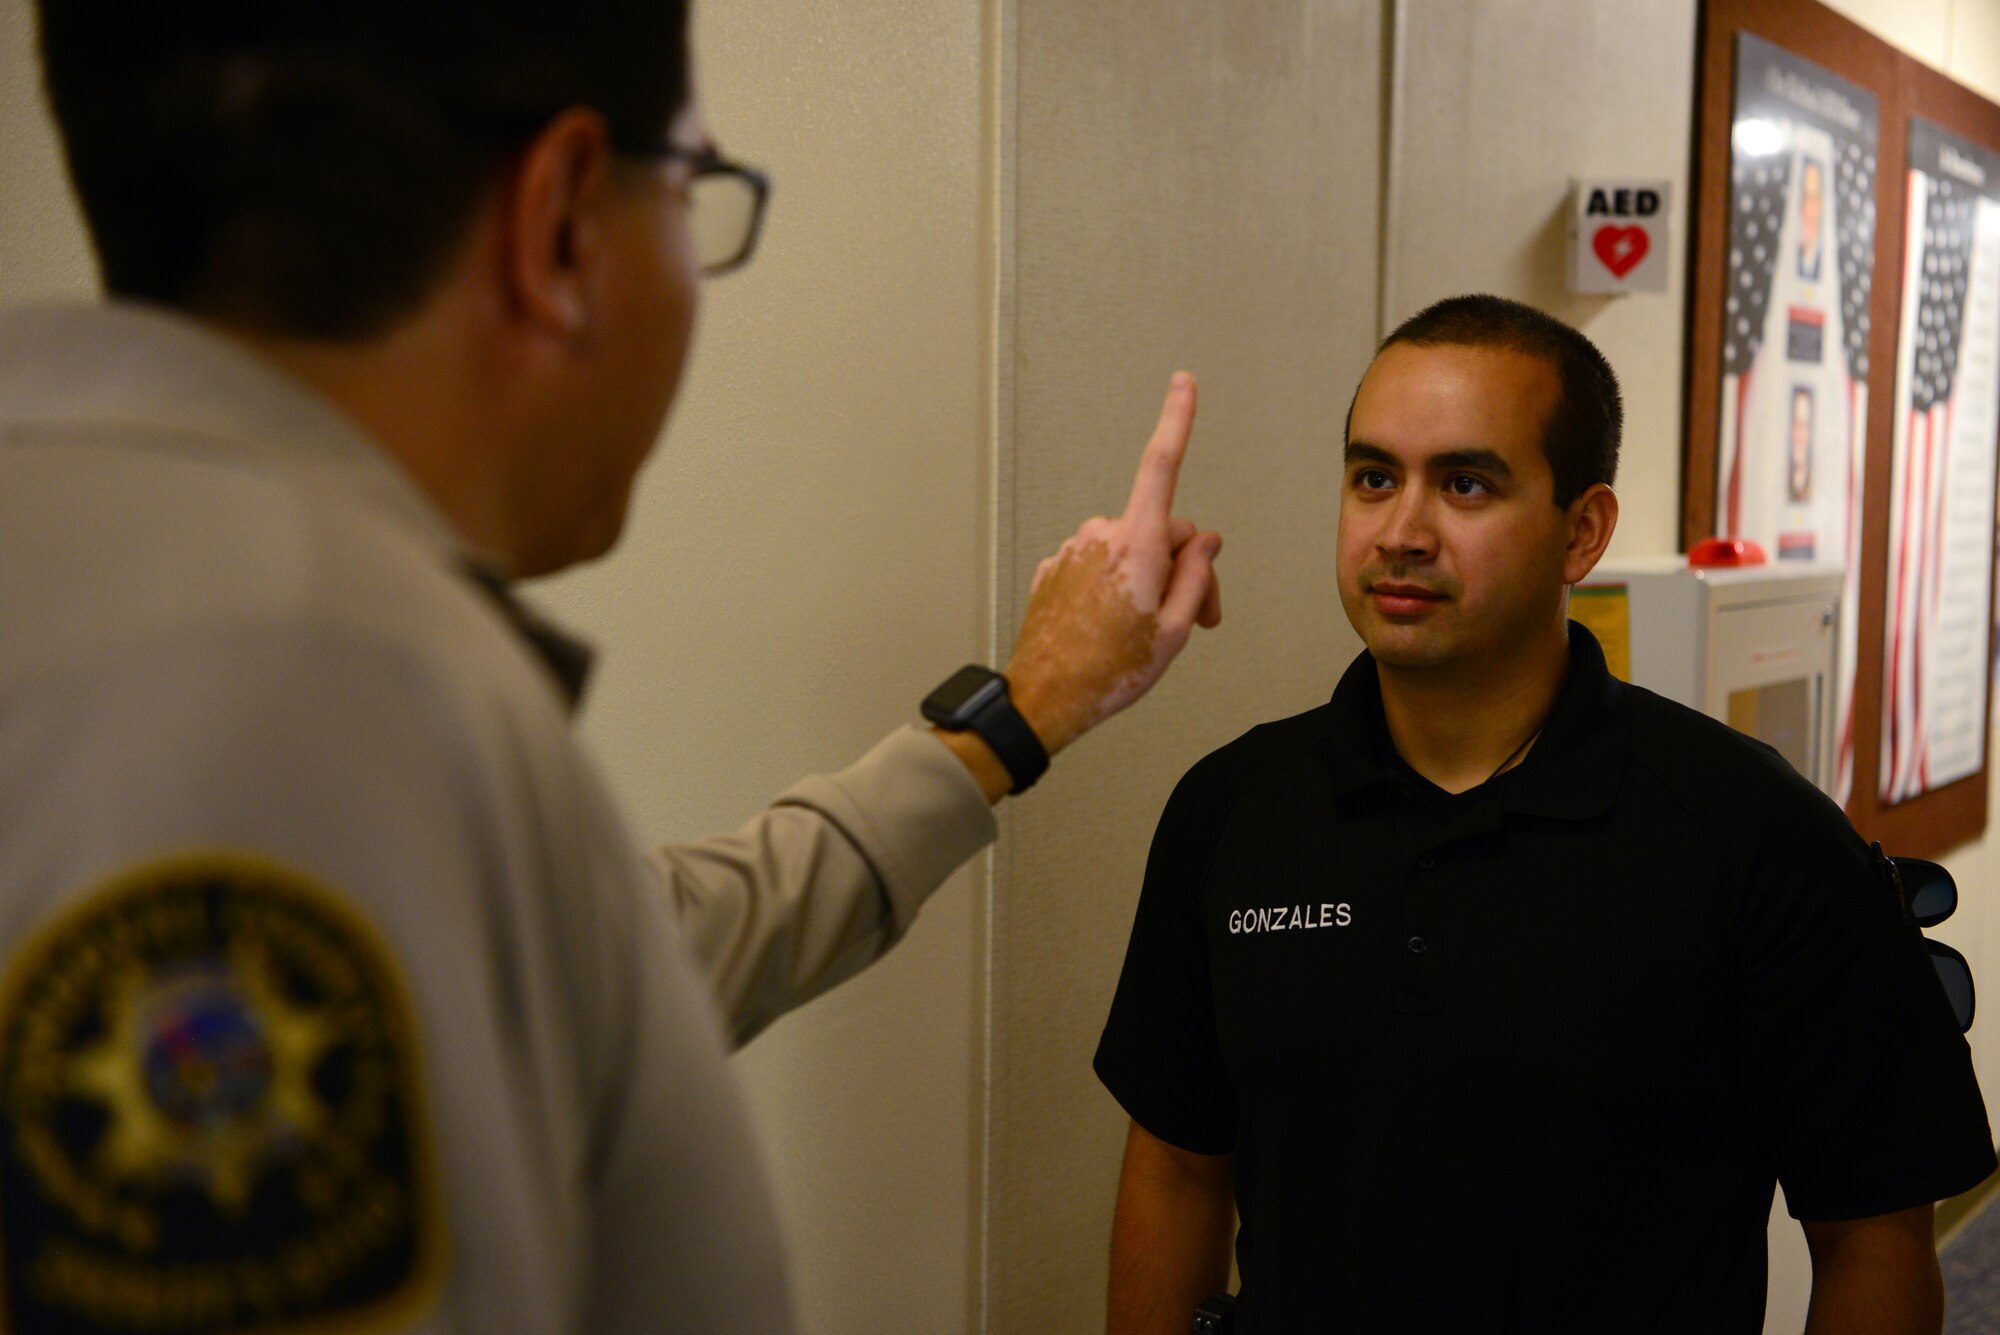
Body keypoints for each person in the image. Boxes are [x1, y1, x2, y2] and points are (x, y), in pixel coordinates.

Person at [0, 2, 1224, 1331]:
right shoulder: (293, 684)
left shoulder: (156, 600)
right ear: (563, 219)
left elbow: (617, 958)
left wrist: (1018, 715)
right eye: (694, 189)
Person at [1095, 294, 1992, 1334]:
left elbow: (1870, 1233)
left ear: (1581, 531)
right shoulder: (1230, 811)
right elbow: (1174, 1173)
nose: (1401, 532)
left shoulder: (1754, 835)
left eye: (1464, 484)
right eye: (1373, 477)